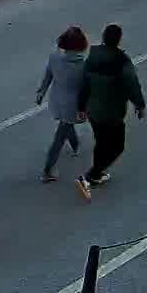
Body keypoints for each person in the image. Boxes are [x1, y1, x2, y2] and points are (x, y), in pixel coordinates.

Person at [76, 23, 145, 201]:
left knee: (101, 142)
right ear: (118, 40)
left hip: (93, 110)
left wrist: (81, 107)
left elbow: (84, 84)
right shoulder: (121, 61)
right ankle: (91, 175)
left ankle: (96, 175)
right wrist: (140, 104)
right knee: (117, 145)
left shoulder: (92, 57)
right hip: (112, 112)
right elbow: (132, 85)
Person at [35, 26, 89, 183]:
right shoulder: (84, 65)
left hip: (57, 101)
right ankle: (47, 171)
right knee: (59, 138)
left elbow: (48, 76)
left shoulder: (54, 58)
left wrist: (41, 92)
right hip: (74, 107)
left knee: (65, 125)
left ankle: (75, 145)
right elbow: (86, 89)